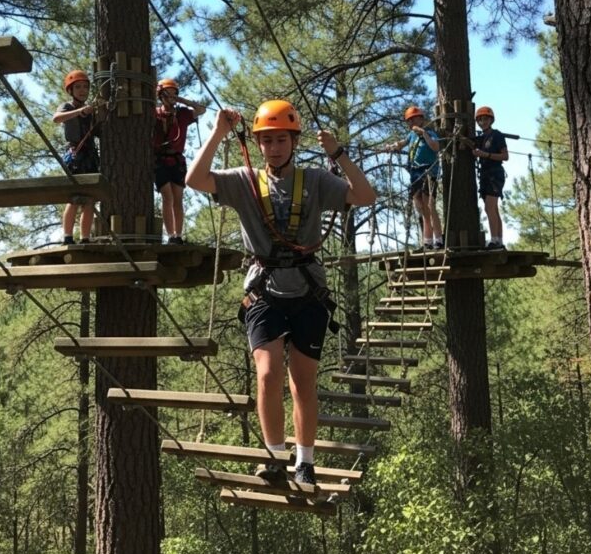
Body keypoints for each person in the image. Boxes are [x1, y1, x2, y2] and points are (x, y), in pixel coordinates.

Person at [186, 100, 376, 487]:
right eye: (267, 141)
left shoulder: (315, 181)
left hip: (308, 291)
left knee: (302, 381)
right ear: (258, 145)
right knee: (268, 374)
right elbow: (194, 179)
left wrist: (337, 153)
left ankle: (305, 460)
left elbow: (364, 195)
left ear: (294, 141)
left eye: (281, 140)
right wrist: (218, 133)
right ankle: (274, 455)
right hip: (264, 291)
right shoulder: (243, 181)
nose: (274, 148)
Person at [52, 69, 103, 245]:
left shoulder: (89, 112)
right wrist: (80, 112)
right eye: (78, 87)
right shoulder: (68, 107)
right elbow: (57, 118)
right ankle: (67, 236)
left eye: (85, 87)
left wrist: (97, 114)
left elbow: (99, 132)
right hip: (75, 156)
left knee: (90, 200)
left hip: (90, 156)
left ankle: (85, 238)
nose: (82, 90)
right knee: (73, 199)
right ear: (71, 91)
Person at [153, 77, 206, 244]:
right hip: (160, 159)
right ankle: (170, 235)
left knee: (178, 198)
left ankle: (178, 235)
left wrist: (181, 100)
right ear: (160, 96)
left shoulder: (183, 113)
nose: (171, 97)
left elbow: (201, 109)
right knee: (167, 197)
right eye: (167, 94)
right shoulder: (155, 113)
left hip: (177, 160)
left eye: (173, 94)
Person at [384, 105, 443, 250]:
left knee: (430, 205)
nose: (411, 123)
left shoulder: (430, 132)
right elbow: (402, 144)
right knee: (421, 207)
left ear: (421, 119)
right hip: (415, 172)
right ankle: (427, 241)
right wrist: (392, 146)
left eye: (413, 119)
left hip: (429, 171)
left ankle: (439, 239)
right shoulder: (411, 136)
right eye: (408, 121)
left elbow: (436, 147)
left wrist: (424, 134)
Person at [472, 105, 509, 250]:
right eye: (480, 120)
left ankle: (494, 240)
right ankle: (499, 240)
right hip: (485, 175)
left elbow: (505, 156)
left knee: (489, 208)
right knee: (493, 209)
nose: (483, 122)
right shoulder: (481, 138)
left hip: (495, 174)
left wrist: (485, 155)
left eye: (485, 119)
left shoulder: (497, 135)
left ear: (491, 120)